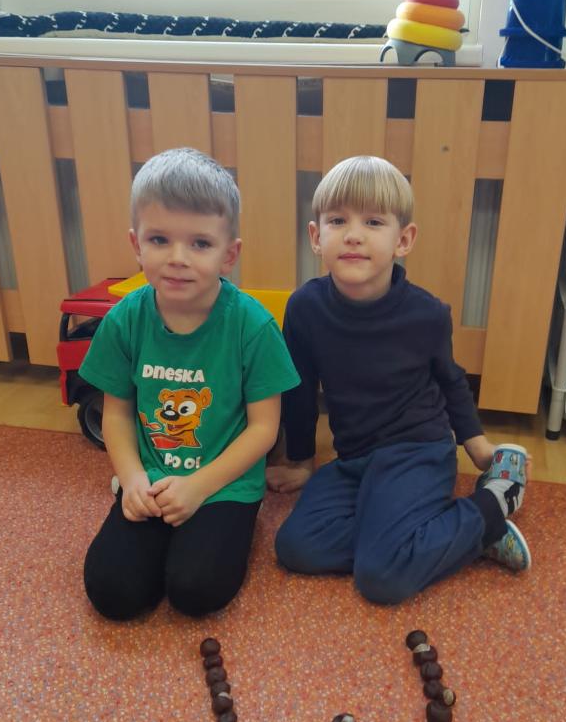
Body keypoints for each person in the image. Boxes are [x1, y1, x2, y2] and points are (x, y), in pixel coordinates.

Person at [267, 155, 531, 606]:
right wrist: (302, 461)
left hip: (417, 450)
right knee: (295, 547)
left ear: (403, 240)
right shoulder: (305, 307)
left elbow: (451, 381)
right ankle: (436, 537)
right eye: (337, 221)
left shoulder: (427, 313)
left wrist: (478, 447)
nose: (353, 234)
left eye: (373, 222)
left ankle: (490, 508)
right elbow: (299, 389)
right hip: (355, 458)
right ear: (316, 237)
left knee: (381, 579)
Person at [80, 148, 299, 620]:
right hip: (151, 479)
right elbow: (116, 412)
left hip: (224, 485)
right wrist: (132, 480)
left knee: (196, 591)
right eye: (160, 239)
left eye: (200, 243)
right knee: (112, 592)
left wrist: (198, 487)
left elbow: (264, 429)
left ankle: (231, 526)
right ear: (137, 244)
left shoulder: (253, 326)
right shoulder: (124, 320)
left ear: (229, 254)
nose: (177, 258)